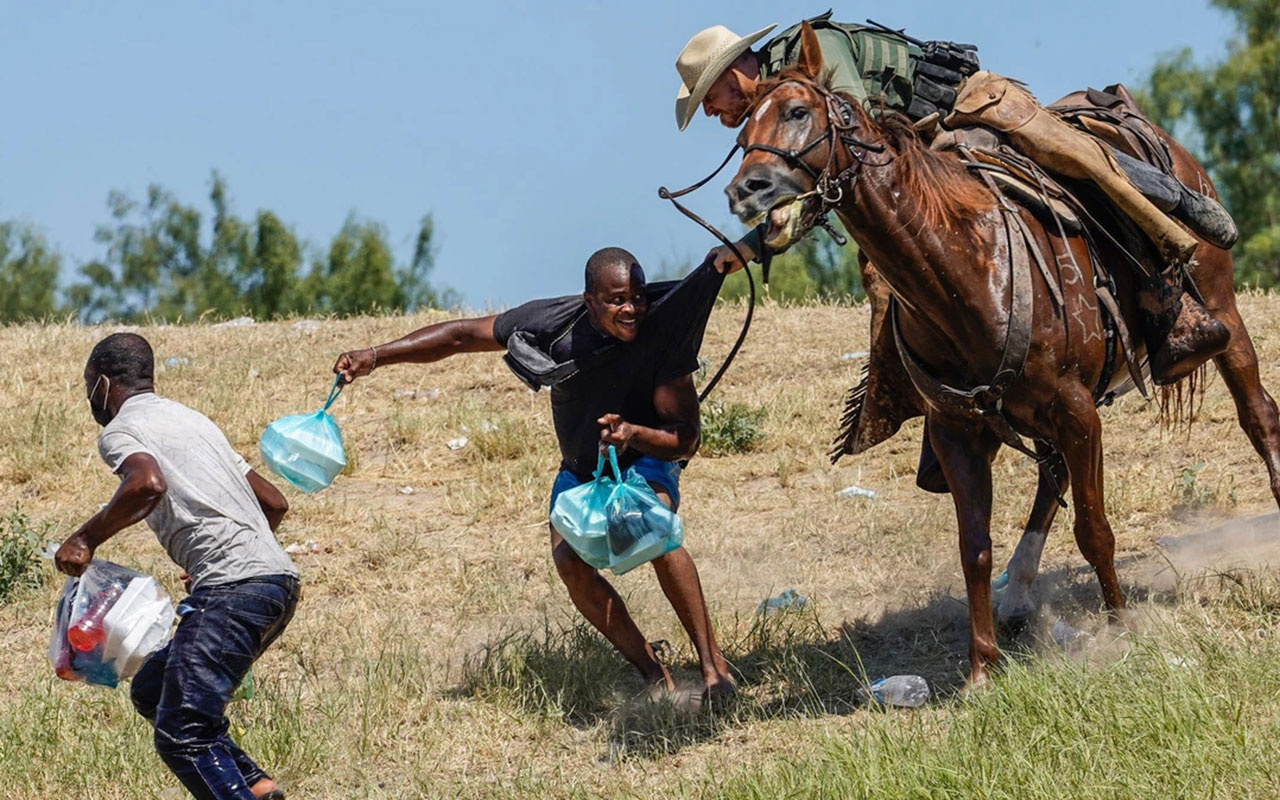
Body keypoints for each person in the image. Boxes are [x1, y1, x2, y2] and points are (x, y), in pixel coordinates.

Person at [675, 11, 1237, 385]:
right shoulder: (776, 110)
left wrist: (756, 242)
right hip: (918, 157)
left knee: (1075, 167)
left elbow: (851, 145)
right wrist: (753, 243)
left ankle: (1170, 292)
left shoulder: (811, 55)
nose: (709, 110)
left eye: (710, 93)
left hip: (965, 112)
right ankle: (932, 392)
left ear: (738, 69)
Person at [333, 247, 736, 701]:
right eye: (618, 299)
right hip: (582, 470)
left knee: (652, 528)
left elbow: (686, 439)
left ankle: (713, 669)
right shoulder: (551, 323)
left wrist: (633, 433)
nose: (632, 309)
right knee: (570, 564)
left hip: (644, 457)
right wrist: (376, 356)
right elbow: (463, 336)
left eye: (639, 297)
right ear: (590, 300)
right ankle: (652, 674)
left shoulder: (663, 332)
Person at [55, 332, 299, 800]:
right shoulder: (193, 421)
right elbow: (274, 503)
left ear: (102, 383)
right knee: (153, 688)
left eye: (89, 385)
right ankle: (256, 785)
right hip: (276, 582)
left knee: (182, 734)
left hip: (234, 587)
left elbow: (147, 484)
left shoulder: (121, 429)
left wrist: (84, 539)